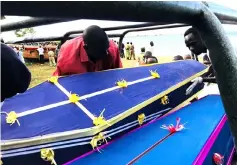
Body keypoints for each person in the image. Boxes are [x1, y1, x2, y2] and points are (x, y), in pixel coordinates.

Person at [53, 25, 122, 76]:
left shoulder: (112, 48)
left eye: (106, 48)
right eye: (100, 51)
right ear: (86, 48)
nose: (106, 53)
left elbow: (118, 73)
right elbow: (60, 79)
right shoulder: (67, 55)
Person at [184, 27, 217, 95]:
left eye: (193, 43)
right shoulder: (211, 49)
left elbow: (224, 79)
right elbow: (214, 68)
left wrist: (202, 79)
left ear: (203, 38)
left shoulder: (215, 52)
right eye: (188, 46)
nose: (191, 48)